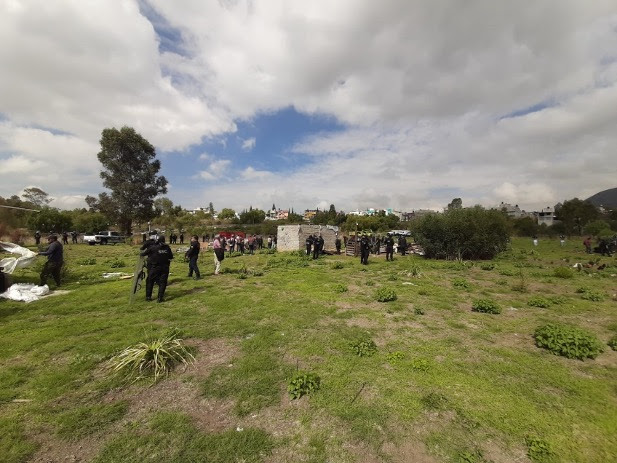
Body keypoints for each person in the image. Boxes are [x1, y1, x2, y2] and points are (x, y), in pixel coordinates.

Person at [140, 236, 173, 302]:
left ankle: (148, 297)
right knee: (162, 282)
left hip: (155, 267)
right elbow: (171, 257)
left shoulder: (153, 247)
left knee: (150, 281)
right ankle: (160, 298)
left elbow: (143, 254)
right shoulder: (167, 248)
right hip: (165, 267)